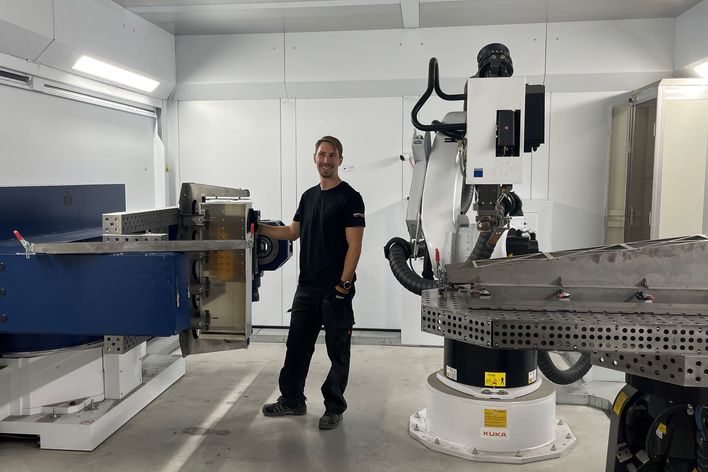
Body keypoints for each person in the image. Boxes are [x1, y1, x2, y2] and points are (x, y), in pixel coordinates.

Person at [259, 135, 365, 430]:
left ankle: (334, 408)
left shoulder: (350, 198)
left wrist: (343, 286)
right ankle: (292, 400)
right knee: (296, 347)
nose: (326, 160)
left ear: (340, 159)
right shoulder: (308, 197)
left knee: (337, 352)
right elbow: (292, 233)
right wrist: (257, 227)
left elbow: (355, 246)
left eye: (332, 155)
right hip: (306, 288)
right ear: (315, 158)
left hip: (335, 289)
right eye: (321, 155)